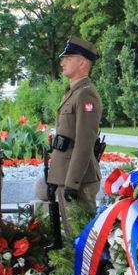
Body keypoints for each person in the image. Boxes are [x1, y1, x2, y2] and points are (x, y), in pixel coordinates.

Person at [47, 36, 102, 212]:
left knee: (81, 237)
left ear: (83, 63)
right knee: (71, 236)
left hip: (79, 180)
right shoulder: (72, 92)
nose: (62, 62)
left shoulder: (86, 95)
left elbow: (84, 143)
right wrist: (53, 179)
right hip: (65, 176)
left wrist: (72, 182)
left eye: (68, 58)